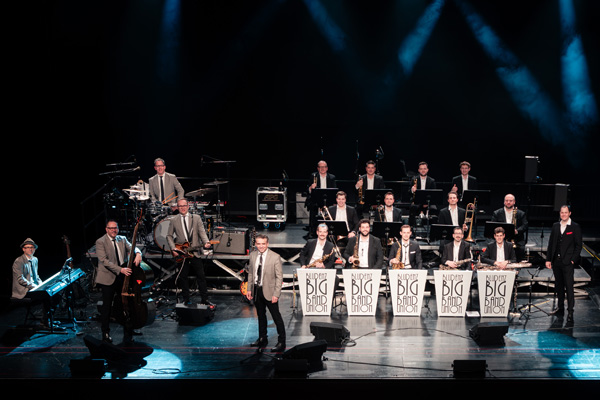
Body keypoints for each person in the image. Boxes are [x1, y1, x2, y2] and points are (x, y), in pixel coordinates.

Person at [95, 220, 143, 343]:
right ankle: (105, 333)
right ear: (106, 229)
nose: (113, 230)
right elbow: (104, 261)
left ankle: (129, 330)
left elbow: (133, 247)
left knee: (126, 303)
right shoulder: (100, 242)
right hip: (108, 278)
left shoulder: (122, 239)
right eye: (111, 228)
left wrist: (138, 253)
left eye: (115, 228)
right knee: (107, 306)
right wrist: (120, 269)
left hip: (122, 277)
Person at [166, 198, 214, 306]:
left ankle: (204, 299)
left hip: (195, 252)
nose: (182, 208)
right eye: (180, 206)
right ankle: (186, 299)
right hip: (182, 253)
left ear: (188, 206)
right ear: (177, 208)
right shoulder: (174, 220)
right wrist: (173, 248)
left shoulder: (196, 218)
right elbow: (169, 236)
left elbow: (202, 232)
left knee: (201, 276)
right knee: (183, 277)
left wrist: (206, 242)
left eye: (184, 205)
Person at [245, 234, 286, 353]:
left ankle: (282, 342)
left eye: (263, 244)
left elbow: (279, 277)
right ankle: (262, 338)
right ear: (255, 244)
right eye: (259, 244)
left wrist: (276, 294)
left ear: (267, 244)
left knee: (276, 317)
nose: (261, 246)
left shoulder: (275, 257)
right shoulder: (253, 255)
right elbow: (251, 273)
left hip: (270, 291)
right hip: (257, 290)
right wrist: (249, 289)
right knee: (261, 315)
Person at [545, 205, 582, 323]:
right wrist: (548, 259)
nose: (564, 214)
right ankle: (560, 308)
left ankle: (570, 311)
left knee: (569, 287)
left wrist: (573, 260)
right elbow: (551, 244)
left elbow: (578, 245)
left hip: (568, 262)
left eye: (566, 212)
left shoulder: (575, 227)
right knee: (559, 286)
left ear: (570, 213)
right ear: (560, 213)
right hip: (556, 262)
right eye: (562, 212)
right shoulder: (555, 226)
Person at [306, 160, 337, 235]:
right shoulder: (313, 176)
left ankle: (330, 231)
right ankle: (313, 232)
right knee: (313, 207)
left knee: (332, 208)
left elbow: (334, 191)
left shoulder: (332, 177)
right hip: (316, 200)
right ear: (318, 168)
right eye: (320, 167)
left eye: (324, 167)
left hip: (328, 200)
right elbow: (307, 190)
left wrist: (334, 202)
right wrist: (311, 188)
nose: (322, 169)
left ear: (327, 168)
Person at [409, 161, 438, 227]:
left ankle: (433, 228)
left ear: (427, 170)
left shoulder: (432, 180)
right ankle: (411, 227)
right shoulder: (414, 179)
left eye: (424, 169)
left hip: (428, 201)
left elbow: (434, 194)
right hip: (417, 201)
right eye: (421, 169)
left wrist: (427, 203)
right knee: (412, 207)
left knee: (434, 208)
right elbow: (408, 192)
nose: (423, 170)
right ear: (418, 170)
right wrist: (412, 190)